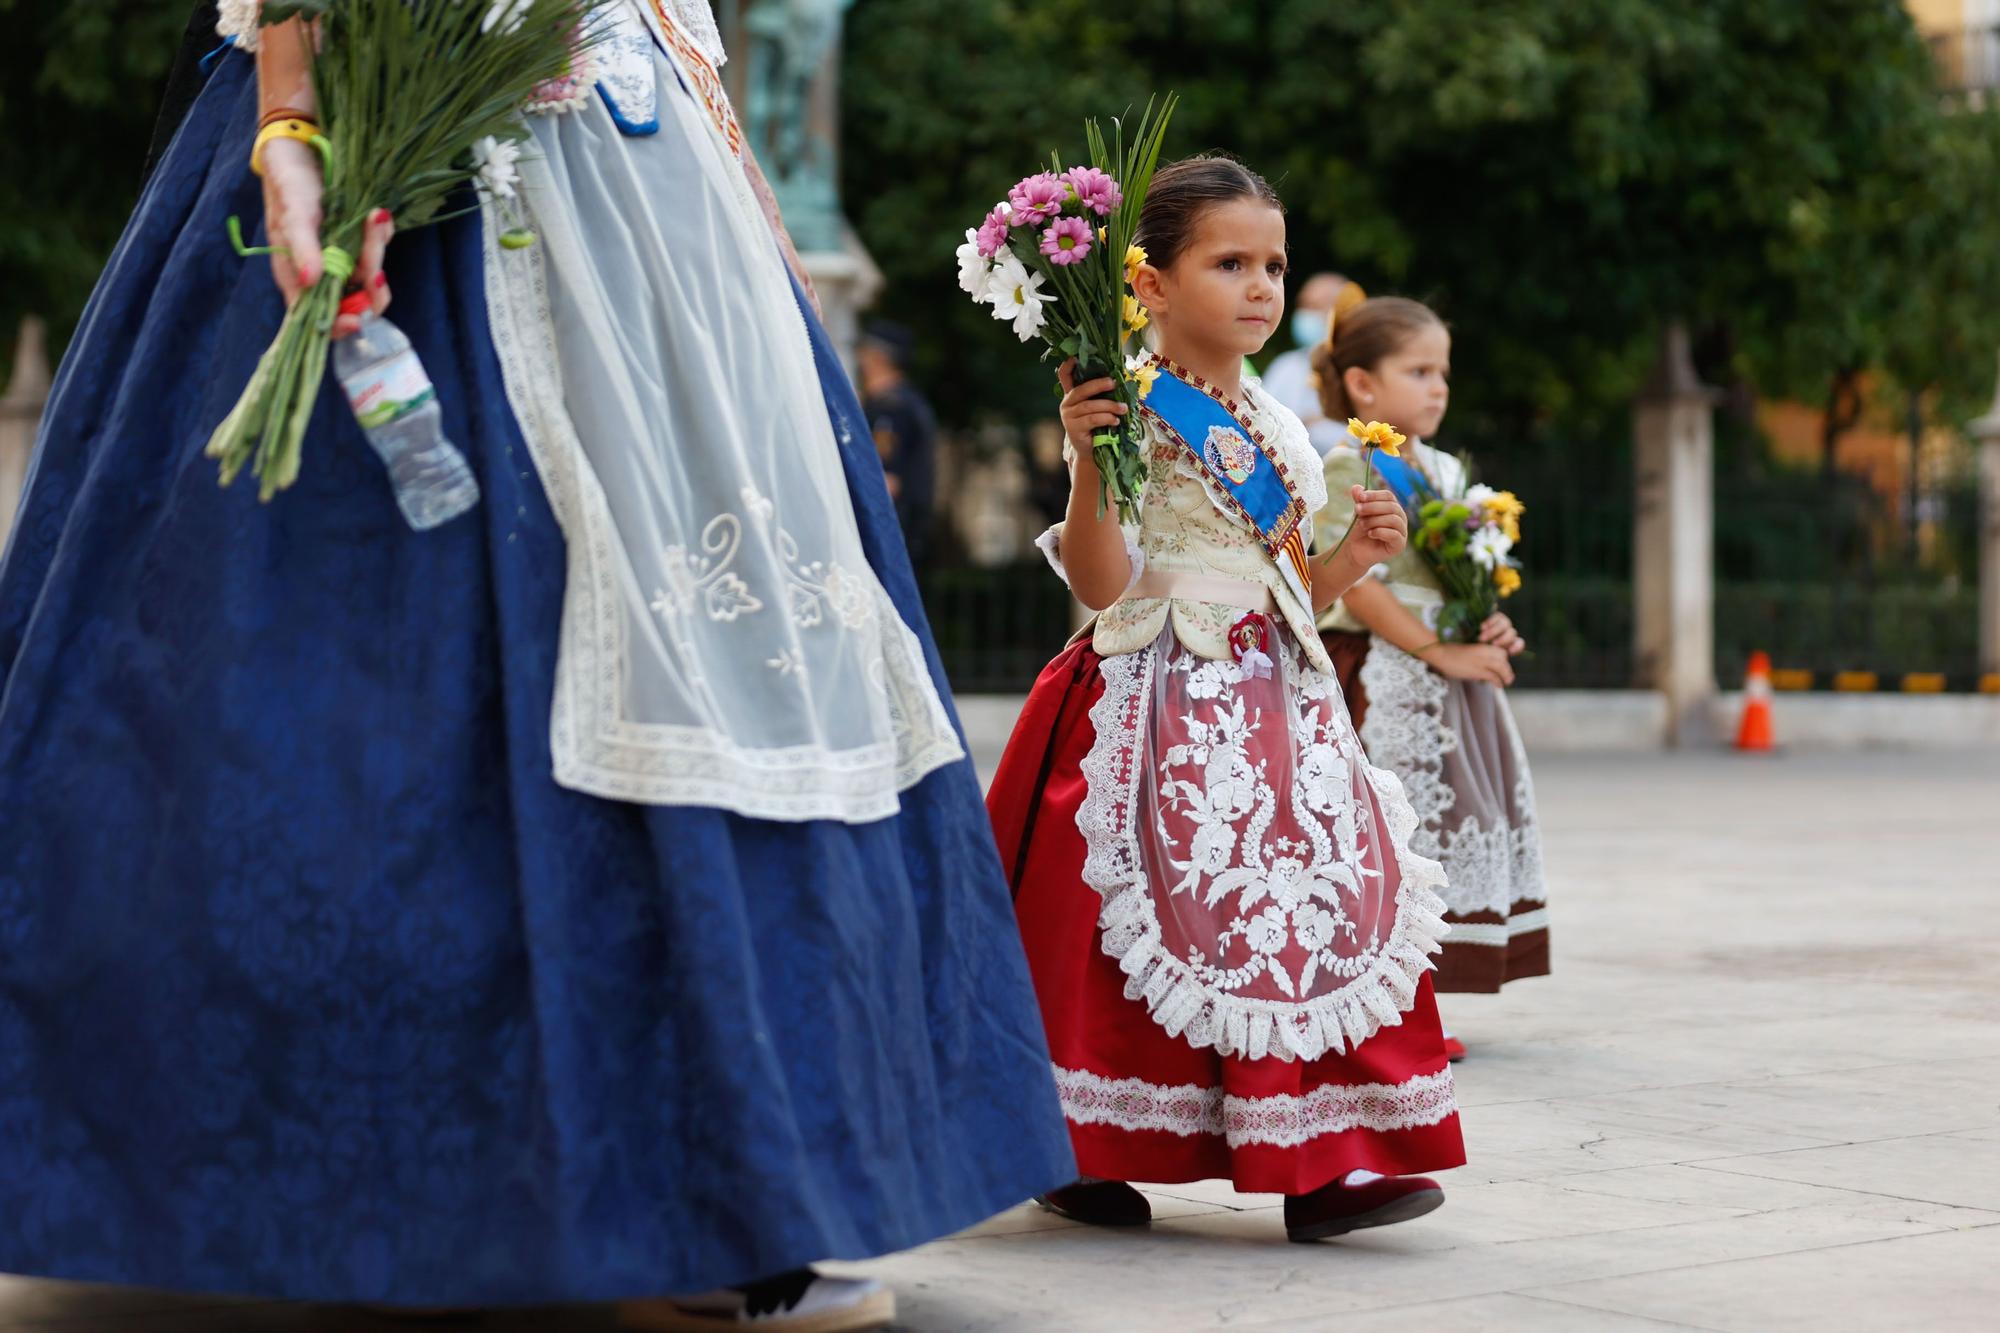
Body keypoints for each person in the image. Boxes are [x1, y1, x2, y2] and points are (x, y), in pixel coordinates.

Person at [0, 3, 1073, 1328]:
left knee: (706, 619)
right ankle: (187, 1170)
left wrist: (739, 189)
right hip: (411, 121)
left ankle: (728, 1189)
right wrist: (293, 119)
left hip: (624, 139)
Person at [985, 156, 1465, 1244]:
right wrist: (1082, 454)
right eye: (1229, 262)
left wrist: (1345, 560)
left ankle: (1320, 1155)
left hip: (1276, 692)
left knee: (1311, 906)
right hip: (1156, 685)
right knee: (1137, 918)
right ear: (1148, 284)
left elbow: (1288, 582)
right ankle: (1077, 1143)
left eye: (1272, 265)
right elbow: (1103, 583)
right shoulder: (1128, 401)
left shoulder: (1274, 422)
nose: (1259, 286)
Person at [1310, 297, 1551, 1043]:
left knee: (1446, 833)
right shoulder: (1351, 463)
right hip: (1383, 677)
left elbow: (1466, 573)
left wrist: (1486, 620)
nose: (1439, 385)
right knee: (1390, 838)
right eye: (1418, 370)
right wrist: (1436, 648)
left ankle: (1418, 1005)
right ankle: (1383, 1012)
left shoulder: (1446, 469)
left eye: (1442, 370)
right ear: (1363, 386)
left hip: (1451, 682)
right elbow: (1361, 584)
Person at [857, 320, 938, 564]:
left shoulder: (891, 408)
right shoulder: (902, 402)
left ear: (878, 357)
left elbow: (887, 480)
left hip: (889, 532)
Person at [1260, 270, 1365, 451]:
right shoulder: (1285, 365)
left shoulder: (1364, 366)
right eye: (1303, 305)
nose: (1305, 314)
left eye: (1316, 306)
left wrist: (1311, 424)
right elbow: (1263, 425)